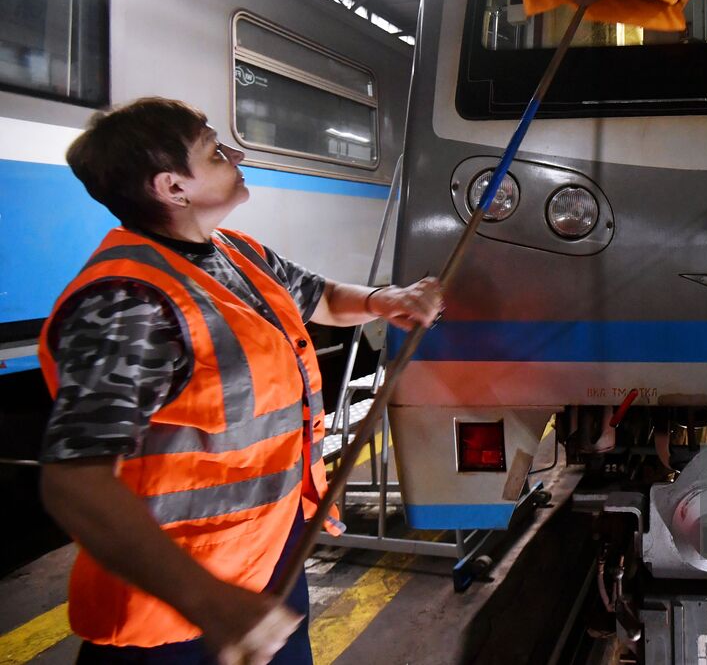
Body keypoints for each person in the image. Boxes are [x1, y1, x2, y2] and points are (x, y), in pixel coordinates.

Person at [37, 97, 444, 665]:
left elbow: (320, 297)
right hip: (178, 607)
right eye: (215, 150)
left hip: (265, 560)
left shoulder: (237, 253)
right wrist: (210, 602)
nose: (236, 153)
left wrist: (385, 301)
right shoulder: (128, 303)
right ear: (173, 187)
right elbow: (75, 483)